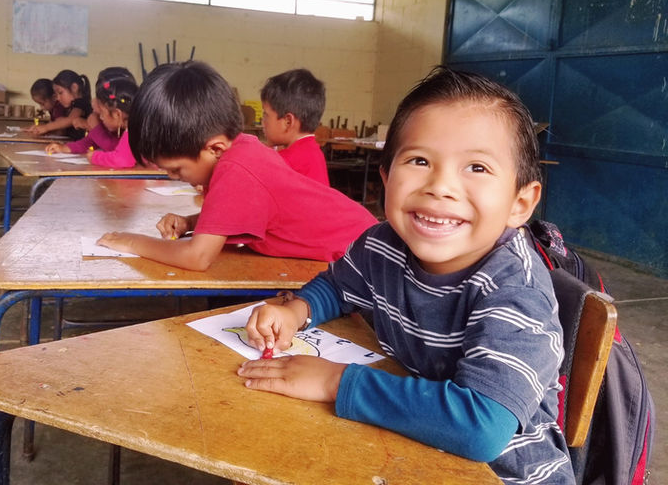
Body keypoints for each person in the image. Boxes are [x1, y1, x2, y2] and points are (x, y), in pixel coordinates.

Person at [238, 66, 574, 485]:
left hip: (504, 474)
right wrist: (298, 311)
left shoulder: (515, 289)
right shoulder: (384, 243)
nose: (440, 186)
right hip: (412, 451)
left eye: (477, 168)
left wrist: (334, 381)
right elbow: (340, 285)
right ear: (385, 180)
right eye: (419, 160)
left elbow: (481, 427)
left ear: (520, 203)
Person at [96, 60, 377, 271]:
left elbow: (197, 257)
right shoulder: (241, 149)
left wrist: (132, 242)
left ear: (215, 148)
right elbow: (237, 216)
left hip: (362, 257)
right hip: (356, 245)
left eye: (177, 170)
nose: (174, 177)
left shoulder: (236, 168)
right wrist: (192, 223)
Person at [45, 71, 138, 168]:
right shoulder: (121, 124)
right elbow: (88, 142)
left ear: (117, 114)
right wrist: (64, 148)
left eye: (101, 113)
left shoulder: (134, 129)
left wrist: (95, 157)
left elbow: (121, 158)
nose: (100, 116)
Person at [260, 68, 329, 185]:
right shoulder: (313, 153)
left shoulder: (286, 163)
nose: (262, 122)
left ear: (288, 122)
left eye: (266, 115)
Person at [25, 69, 92, 140]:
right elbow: (61, 125)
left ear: (74, 88)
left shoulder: (81, 103)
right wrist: (41, 129)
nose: (58, 98)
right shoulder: (71, 105)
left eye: (60, 93)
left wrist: (46, 127)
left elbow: (71, 120)